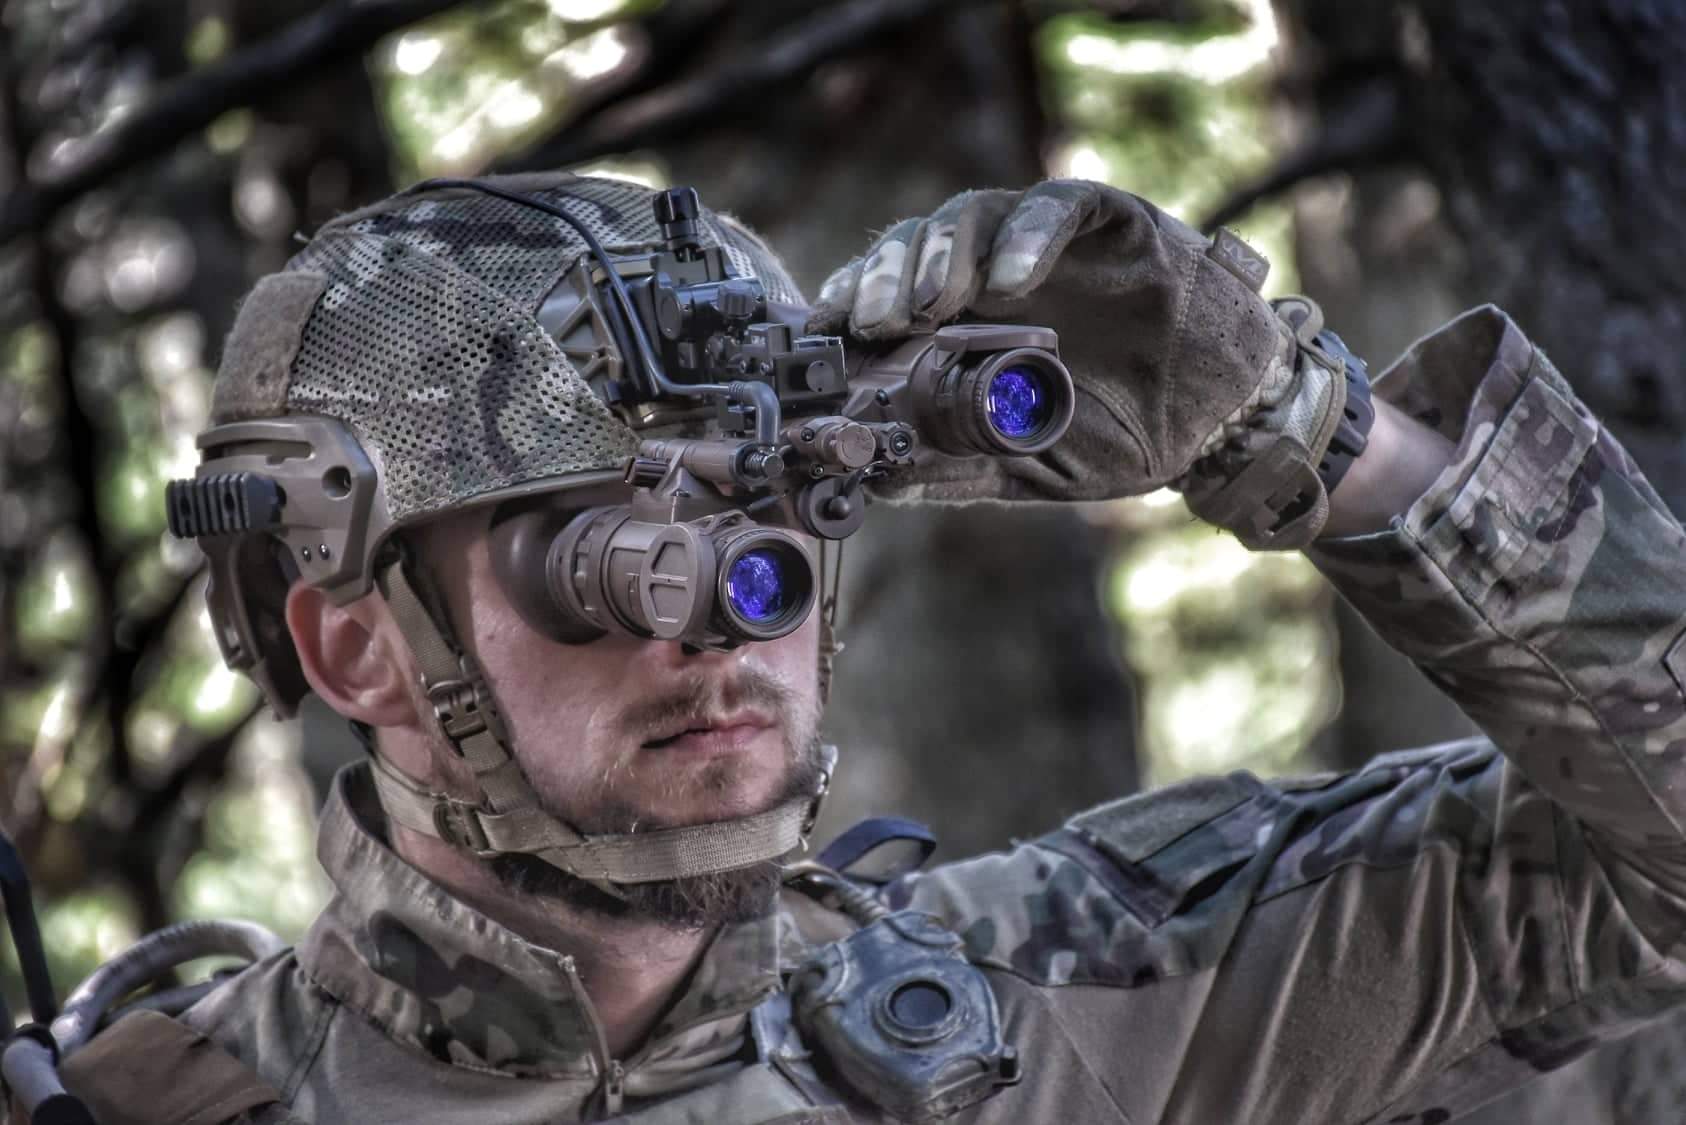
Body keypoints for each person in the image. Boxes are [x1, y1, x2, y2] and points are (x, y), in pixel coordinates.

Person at [38, 173, 1686, 1125]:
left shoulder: (1077, 1008)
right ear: (358, 652)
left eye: (767, 515)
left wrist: (1309, 434)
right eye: (605, 559)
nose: (722, 623)